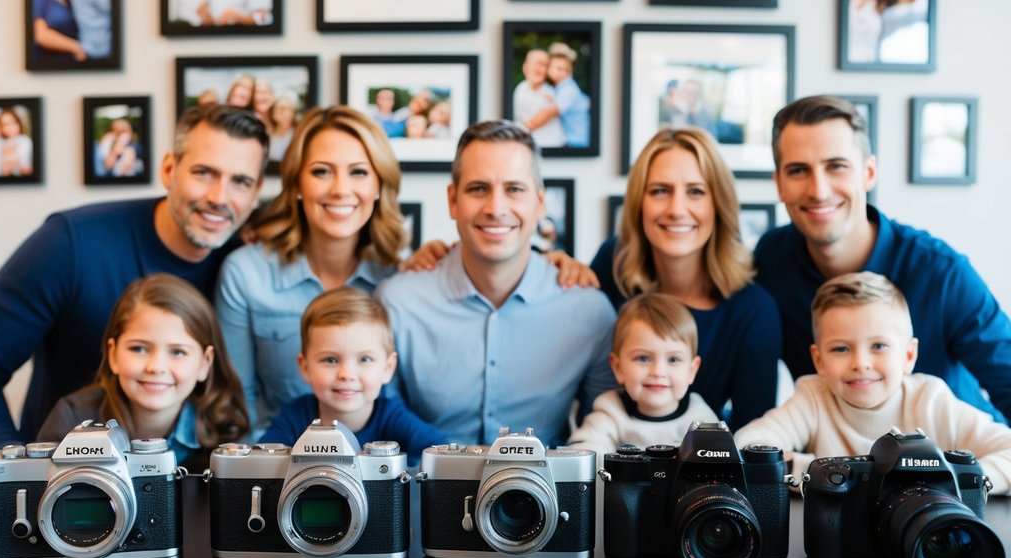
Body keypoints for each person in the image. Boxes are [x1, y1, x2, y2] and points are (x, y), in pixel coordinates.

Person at [756, 94, 1011, 491]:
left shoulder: (941, 272)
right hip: (841, 500)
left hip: (961, 480)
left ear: (868, 173)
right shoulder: (770, 262)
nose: (818, 189)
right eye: (798, 170)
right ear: (779, 183)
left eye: (836, 166)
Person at [0, 104, 268, 450]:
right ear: (169, 169)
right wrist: (16, 472)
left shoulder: (248, 265)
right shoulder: (71, 244)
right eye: (203, 173)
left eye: (240, 181)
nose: (219, 197)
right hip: (67, 483)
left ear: (256, 191)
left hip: (192, 482)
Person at [375, 120, 617, 447]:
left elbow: (607, 434)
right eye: (478, 189)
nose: (496, 208)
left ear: (540, 203)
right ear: (452, 200)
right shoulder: (397, 304)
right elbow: (381, 428)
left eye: (514, 189)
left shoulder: (590, 312)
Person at [735, 272, 1011, 495]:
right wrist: (823, 474)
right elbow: (747, 447)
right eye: (840, 348)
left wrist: (944, 482)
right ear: (818, 360)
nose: (861, 362)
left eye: (879, 346)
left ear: (908, 356)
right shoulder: (813, 397)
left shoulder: (930, 400)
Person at [216, 106, 406, 433]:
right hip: (275, 463)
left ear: (378, 186)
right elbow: (238, 405)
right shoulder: (245, 274)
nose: (339, 189)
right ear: (298, 184)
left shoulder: (399, 278)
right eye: (322, 172)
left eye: (358, 172)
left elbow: (397, 408)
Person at [590, 127, 781, 431]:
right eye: (660, 191)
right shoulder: (613, 264)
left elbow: (754, 439)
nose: (677, 210)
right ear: (639, 203)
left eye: (696, 191)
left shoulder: (753, 310)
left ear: (718, 204)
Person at [38, 274, 249, 470]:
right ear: (113, 355)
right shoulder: (71, 421)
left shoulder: (224, 433)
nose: (156, 367)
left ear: (205, 363)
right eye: (139, 348)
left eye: (177, 352)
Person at [259, 288, 445, 462]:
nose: (347, 375)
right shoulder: (295, 418)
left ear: (388, 368)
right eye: (331, 360)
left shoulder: (392, 417)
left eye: (364, 359)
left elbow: (441, 455)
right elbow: (260, 464)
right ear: (305, 368)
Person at [569, 293, 718, 455]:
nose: (658, 372)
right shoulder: (611, 412)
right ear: (618, 368)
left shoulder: (700, 419)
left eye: (673, 359)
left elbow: (720, 461)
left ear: (692, 370)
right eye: (643, 358)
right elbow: (586, 451)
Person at [512, 48, 566, 148]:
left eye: (544, 65)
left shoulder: (553, 91)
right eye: (536, 63)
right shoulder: (520, 90)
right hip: (530, 148)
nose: (539, 68)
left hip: (555, 147)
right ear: (525, 67)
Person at [546, 43, 590, 148]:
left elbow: (552, 112)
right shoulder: (560, 87)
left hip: (576, 141)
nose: (561, 72)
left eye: (564, 69)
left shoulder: (568, 89)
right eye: (557, 68)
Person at [0, 107, 33, 178]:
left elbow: (24, 165)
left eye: (12, 123)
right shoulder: (0, 143)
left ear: (18, 123)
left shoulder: (25, 140)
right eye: (5, 125)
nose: (9, 127)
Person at [268, 92, 298, 165]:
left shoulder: (298, 134)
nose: (281, 112)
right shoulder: (269, 134)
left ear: (292, 112)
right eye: (277, 108)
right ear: (273, 114)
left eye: (284, 108)